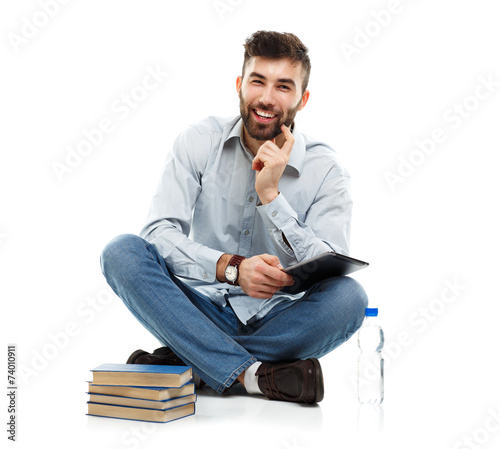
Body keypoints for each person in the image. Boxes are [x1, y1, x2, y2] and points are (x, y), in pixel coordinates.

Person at [100, 30, 368, 404]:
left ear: (302, 99)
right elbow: (159, 233)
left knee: (349, 298)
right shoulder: (199, 141)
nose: (267, 98)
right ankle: (255, 375)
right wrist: (231, 267)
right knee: (122, 252)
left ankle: (190, 360)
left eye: (283, 87)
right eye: (258, 81)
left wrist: (271, 197)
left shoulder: (327, 170)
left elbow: (328, 266)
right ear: (240, 85)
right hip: (200, 308)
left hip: (280, 320)